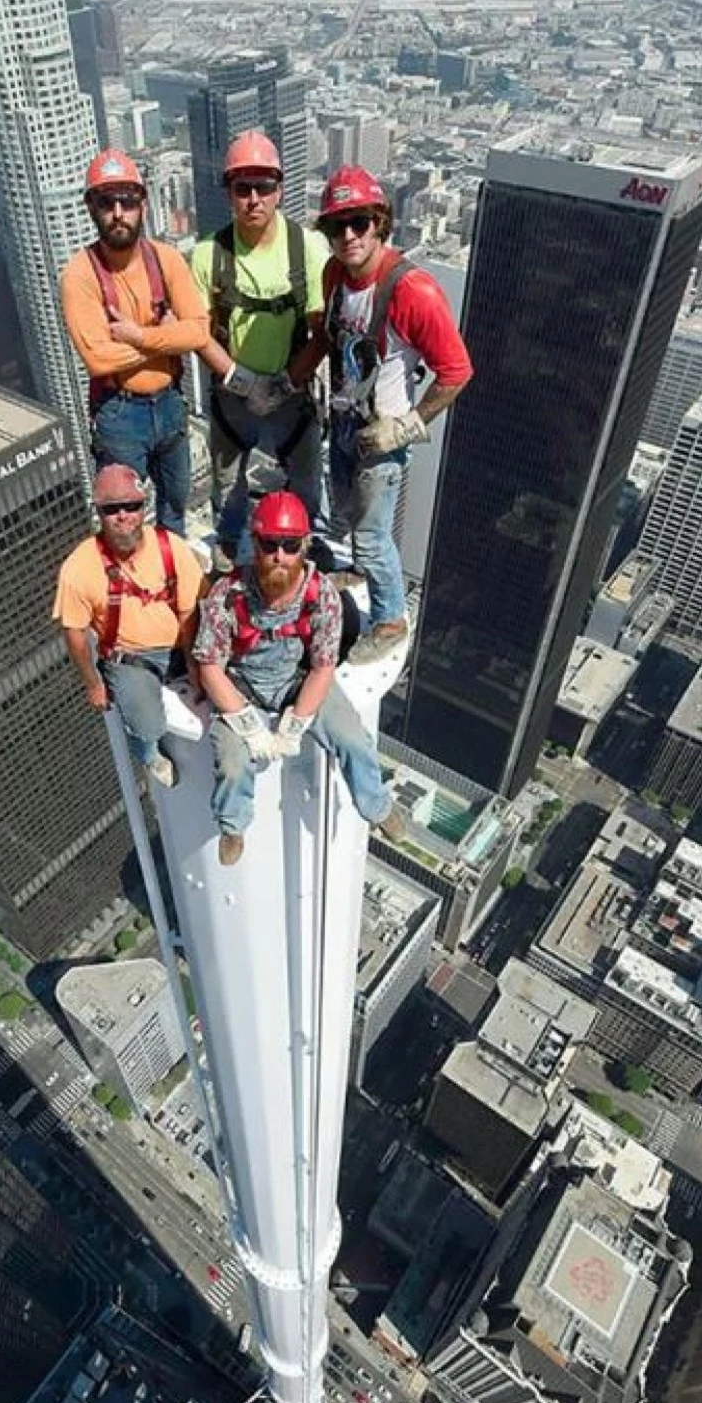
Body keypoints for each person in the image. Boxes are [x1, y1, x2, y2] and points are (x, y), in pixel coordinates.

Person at [193, 490, 407, 866]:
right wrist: (245, 722)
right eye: (270, 544)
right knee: (231, 762)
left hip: (298, 679)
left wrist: (296, 723)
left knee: (353, 739)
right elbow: (210, 666)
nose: (279, 556)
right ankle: (233, 825)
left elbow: (324, 666)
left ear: (304, 545)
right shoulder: (229, 595)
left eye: (290, 546)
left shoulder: (320, 594)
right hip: (242, 685)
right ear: (255, 543)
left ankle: (377, 807)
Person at [313, 166, 473, 662]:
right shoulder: (334, 275)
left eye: (358, 222)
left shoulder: (412, 290)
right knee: (348, 514)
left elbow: (457, 370)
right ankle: (361, 574)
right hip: (345, 422)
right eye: (337, 226)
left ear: (379, 221)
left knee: (372, 535)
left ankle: (389, 620)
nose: (348, 236)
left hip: (383, 434)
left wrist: (406, 426)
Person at [191, 131, 329, 570]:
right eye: (242, 188)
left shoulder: (306, 247)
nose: (253, 198)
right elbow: (199, 332)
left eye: (264, 187)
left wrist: (289, 380)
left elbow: (322, 329)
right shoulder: (209, 255)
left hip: (292, 385)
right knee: (227, 480)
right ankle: (229, 542)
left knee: (305, 477)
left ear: (280, 189)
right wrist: (239, 378)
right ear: (229, 193)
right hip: (234, 392)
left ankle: (304, 539)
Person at [61, 149, 209, 533]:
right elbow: (99, 359)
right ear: (91, 208)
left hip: (171, 403)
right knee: (122, 521)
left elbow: (198, 331)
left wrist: (138, 335)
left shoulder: (167, 260)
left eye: (126, 200)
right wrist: (167, 337)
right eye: (106, 201)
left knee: (176, 504)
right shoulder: (81, 275)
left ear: (142, 203)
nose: (117, 212)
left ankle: (170, 581)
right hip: (119, 413)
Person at [54, 464, 206, 787]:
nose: (123, 516)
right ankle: (148, 752)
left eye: (131, 506)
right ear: (100, 513)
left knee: (222, 680)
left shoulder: (169, 547)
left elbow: (191, 610)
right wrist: (93, 684)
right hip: (131, 658)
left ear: (142, 506)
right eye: (112, 510)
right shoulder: (80, 568)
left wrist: (194, 660)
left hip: (180, 643)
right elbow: (75, 635)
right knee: (148, 724)